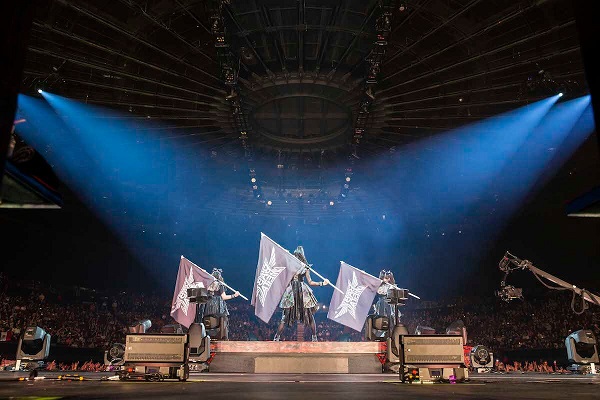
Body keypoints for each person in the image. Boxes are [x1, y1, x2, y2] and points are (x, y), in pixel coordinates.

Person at [273, 246, 329, 342]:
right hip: (301, 292)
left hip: (291, 292)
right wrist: (322, 283)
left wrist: (284, 256)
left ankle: (276, 337)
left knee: (284, 317)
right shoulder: (304, 266)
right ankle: (314, 337)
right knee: (310, 317)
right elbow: (310, 282)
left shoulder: (290, 265)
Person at [198, 268, 239, 340]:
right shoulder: (220, 285)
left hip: (208, 306)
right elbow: (224, 297)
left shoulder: (208, 284)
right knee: (222, 320)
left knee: (208, 321)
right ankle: (223, 337)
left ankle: (206, 338)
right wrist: (234, 295)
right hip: (217, 306)